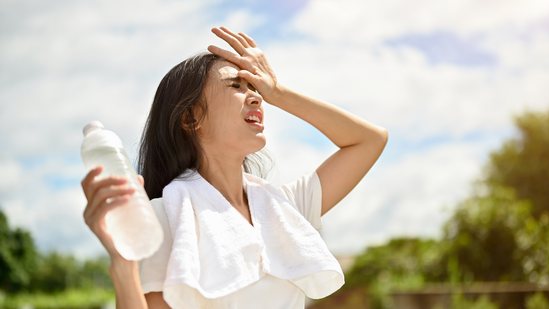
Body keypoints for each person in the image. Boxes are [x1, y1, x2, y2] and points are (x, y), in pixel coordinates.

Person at [81, 26, 388, 308]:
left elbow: (369, 140)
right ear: (191, 118)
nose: (256, 96)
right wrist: (124, 265)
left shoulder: (285, 209)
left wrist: (279, 93)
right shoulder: (167, 217)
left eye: (254, 86)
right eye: (237, 86)